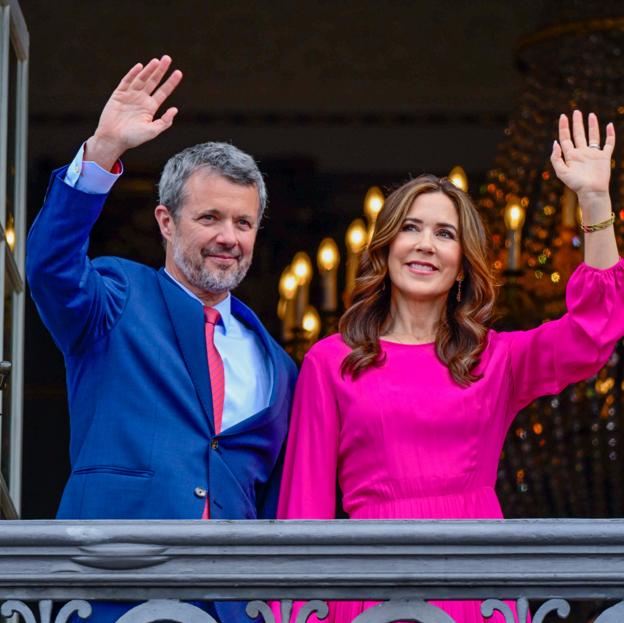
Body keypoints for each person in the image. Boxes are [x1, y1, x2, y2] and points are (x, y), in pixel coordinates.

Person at [277, 111, 623, 623]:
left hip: (476, 575)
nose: (424, 244)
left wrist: (595, 201)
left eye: (445, 233)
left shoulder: (496, 357)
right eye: (410, 228)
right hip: (366, 579)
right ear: (386, 247)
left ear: (463, 262)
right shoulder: (332, 360)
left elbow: (593, 332)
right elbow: (302, 507)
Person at [26, 56, 297, 623]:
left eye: (243, 223)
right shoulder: (116, 297)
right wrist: (102, 153)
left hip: (232, 602)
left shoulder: (277, 362)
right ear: (167, 221)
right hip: (109, 588)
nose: (229, 237)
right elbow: (51, 267)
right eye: (210, 218)